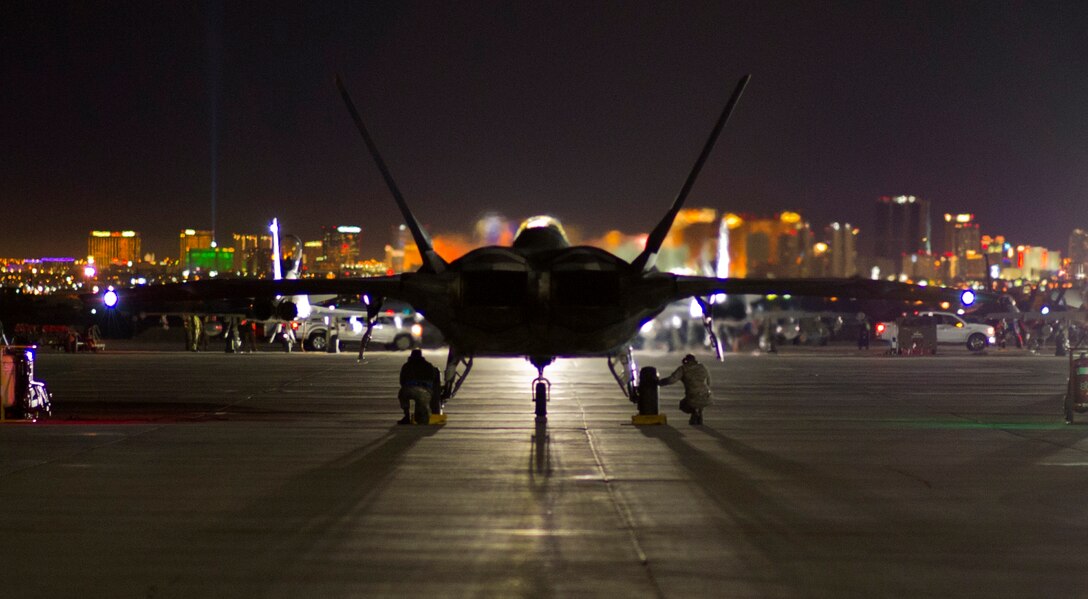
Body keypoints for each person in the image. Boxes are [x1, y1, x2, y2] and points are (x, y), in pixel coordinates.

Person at [659, 353, 712, 425]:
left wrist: (659, 382)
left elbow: (671, 380)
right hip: (707, 396)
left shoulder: (683, 369)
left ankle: (694, 412)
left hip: (693, 397)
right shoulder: (702, 367)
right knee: (700, 397)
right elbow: (709, 382)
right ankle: (699, 412)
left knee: (683, 404)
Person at [398, 349, 440, 424]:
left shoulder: (406, 366)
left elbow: (402, 381)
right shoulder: (428, 366)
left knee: (402, 395)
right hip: (425, 391)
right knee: (422, 407)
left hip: (409, 390)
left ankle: (407, 415)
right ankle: (422, 415)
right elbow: (435, 381)